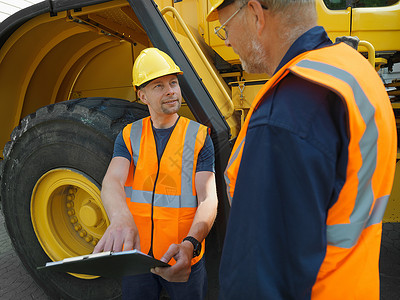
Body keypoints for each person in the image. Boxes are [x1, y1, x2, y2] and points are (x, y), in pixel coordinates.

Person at [207, 0, 397, 299]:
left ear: (256, 14)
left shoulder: (284, 116)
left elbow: (257, 280)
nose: (227, 40)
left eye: (224, 28)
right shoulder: (354, 71)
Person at [93, 47, 218, 300]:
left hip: (181, 256)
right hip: (137, 257)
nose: (171, 90)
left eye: (173, 82)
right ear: (143, 96)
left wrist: (191, 244)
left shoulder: (198, 137)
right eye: (159, 86)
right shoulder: (129, 135)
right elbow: (113, 180)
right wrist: (119, 218)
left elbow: (208, 199)